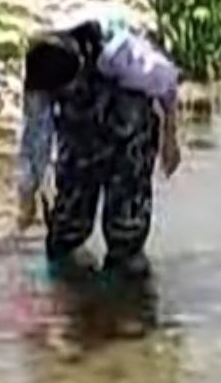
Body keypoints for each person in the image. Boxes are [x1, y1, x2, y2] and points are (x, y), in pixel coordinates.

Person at [16, 16, 181, 273]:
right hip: (79, 134)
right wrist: (28, 194)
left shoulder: (120, 55)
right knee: (67, 227)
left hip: (129, 130)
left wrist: (170, 138)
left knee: (127, 226)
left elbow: (166, 82)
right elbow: (35, 138)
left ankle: (126, 272)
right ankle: (68, 271)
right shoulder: (39, 75)